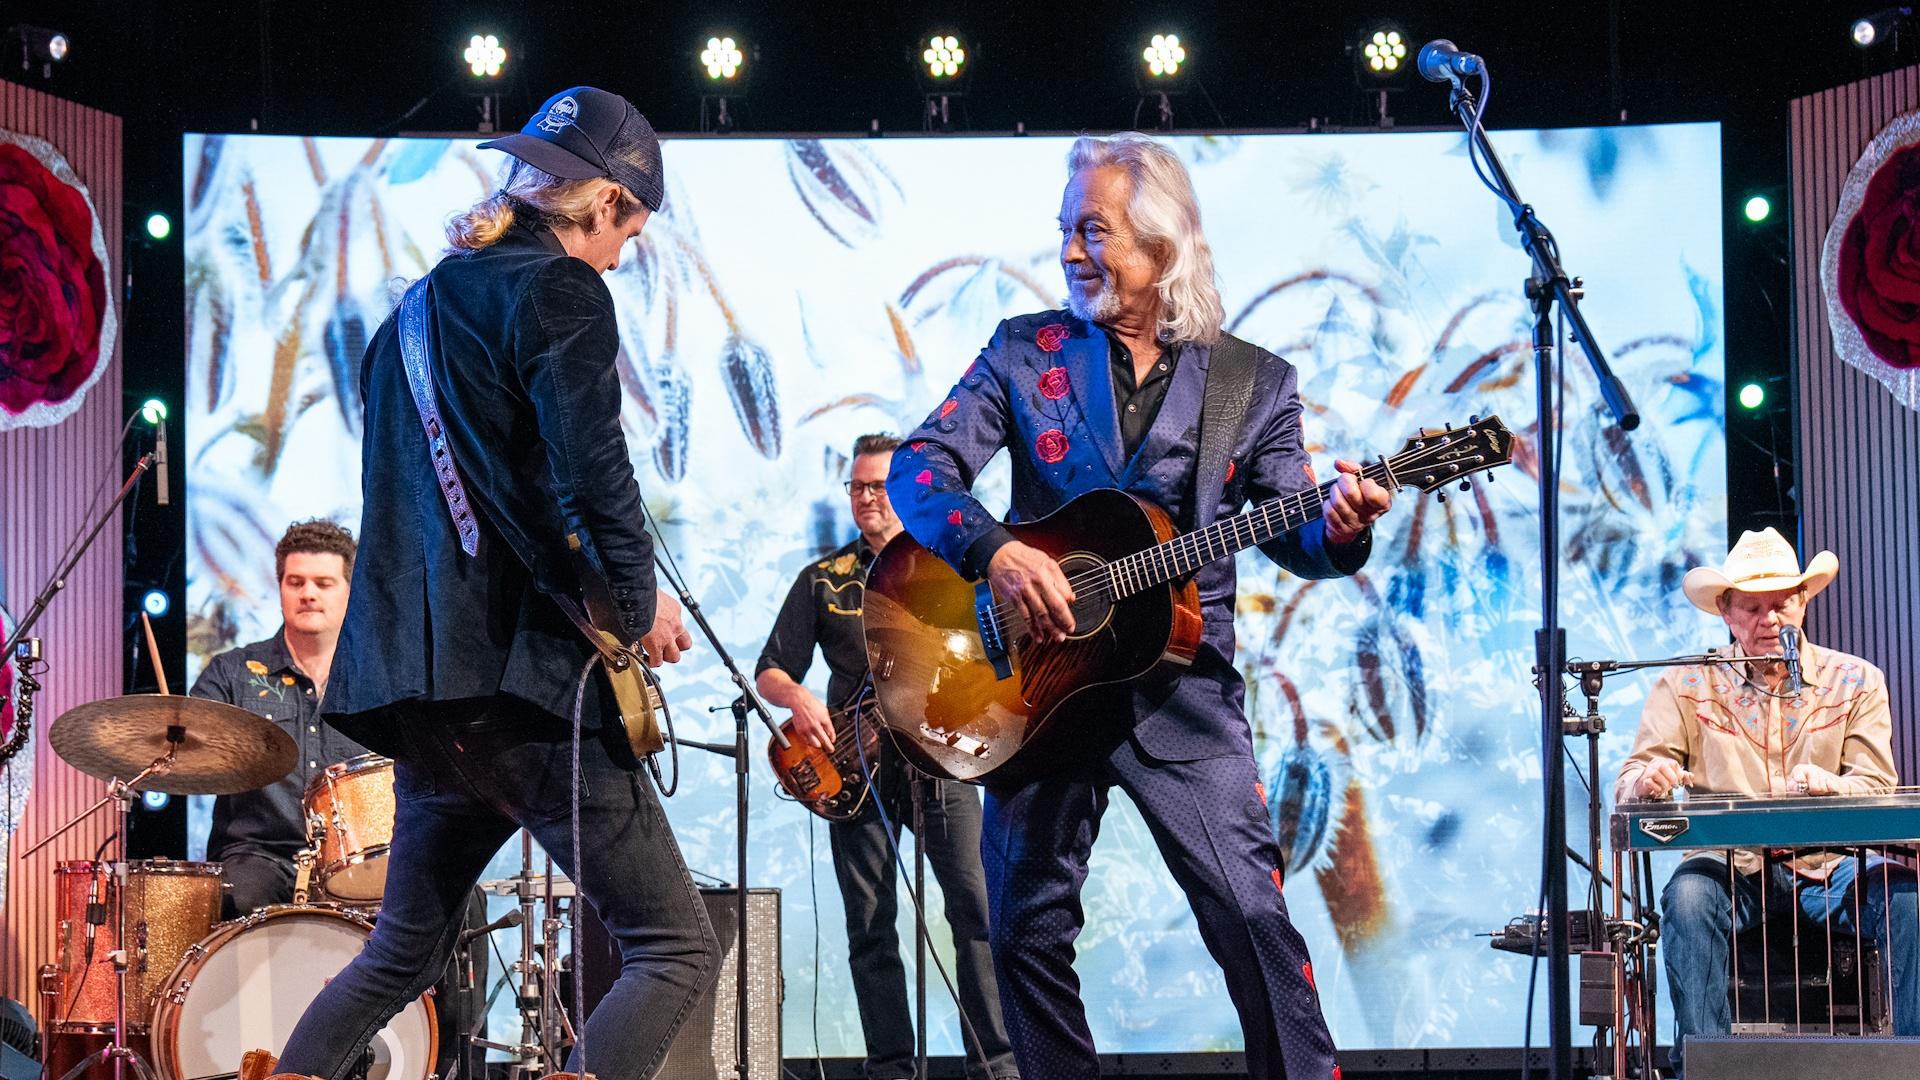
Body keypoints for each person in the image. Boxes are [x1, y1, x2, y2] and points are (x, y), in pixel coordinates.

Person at [886, 133, 1392, 1080]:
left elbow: (1302, 535)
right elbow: (922, 468)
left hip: (1182, 695)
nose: (1071, 252)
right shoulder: (1022, 350)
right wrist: (995, 553)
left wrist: (1346, 523)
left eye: (1093, 231)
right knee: (1024, 933)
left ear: (1159, 244)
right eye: (1065, 231)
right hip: (1036, 686)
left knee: (1252, 919)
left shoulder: (1254, 384)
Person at [264, 87, 714, 1080]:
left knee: (398, 956)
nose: (620, 254)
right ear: (602, 206)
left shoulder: (413, 312)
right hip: (521, 694)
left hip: (425, 703)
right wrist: (636, 614)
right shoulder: (560, 291)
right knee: (676, 950)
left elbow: (476, 503)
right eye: (627, 232)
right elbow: (597, 479)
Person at [757, 433, 1020, 1080]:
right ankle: (891, 1069)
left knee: (976, 913)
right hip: (854, 772)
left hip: (943, 762)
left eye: (878, 486)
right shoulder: (823, 579)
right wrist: (796, 699)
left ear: (904, 491)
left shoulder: (957, 571)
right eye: (857, 487)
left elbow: (1000, 659)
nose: (866, 498)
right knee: (870, 925)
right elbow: (769, 670)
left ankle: (999, 1065)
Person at [1615, 527, 1916, 1073]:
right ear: (1725, 612)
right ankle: (1707, 1068)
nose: (1768, 620)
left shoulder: (1856, 681)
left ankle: (1911, 1061)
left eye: (1781, 604)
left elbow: (1876, 784)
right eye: (1751, 609)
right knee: (1687, 901)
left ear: (1803, 601)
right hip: (1732, 868)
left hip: (1833, 867)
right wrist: (1648, 778)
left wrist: (1834, 787)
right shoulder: (1686, 684)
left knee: (1910, 902)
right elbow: (1632, 776)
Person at [191, 519, 370, 917]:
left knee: (462, 904)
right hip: (259, 855)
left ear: (349, 591)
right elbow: (188, 750)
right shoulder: (231, 673)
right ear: (281, 588)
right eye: (296, 582)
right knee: (228, 898)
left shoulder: (380, 678)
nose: (308, 594)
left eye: (323, 583)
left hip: (360, 859)